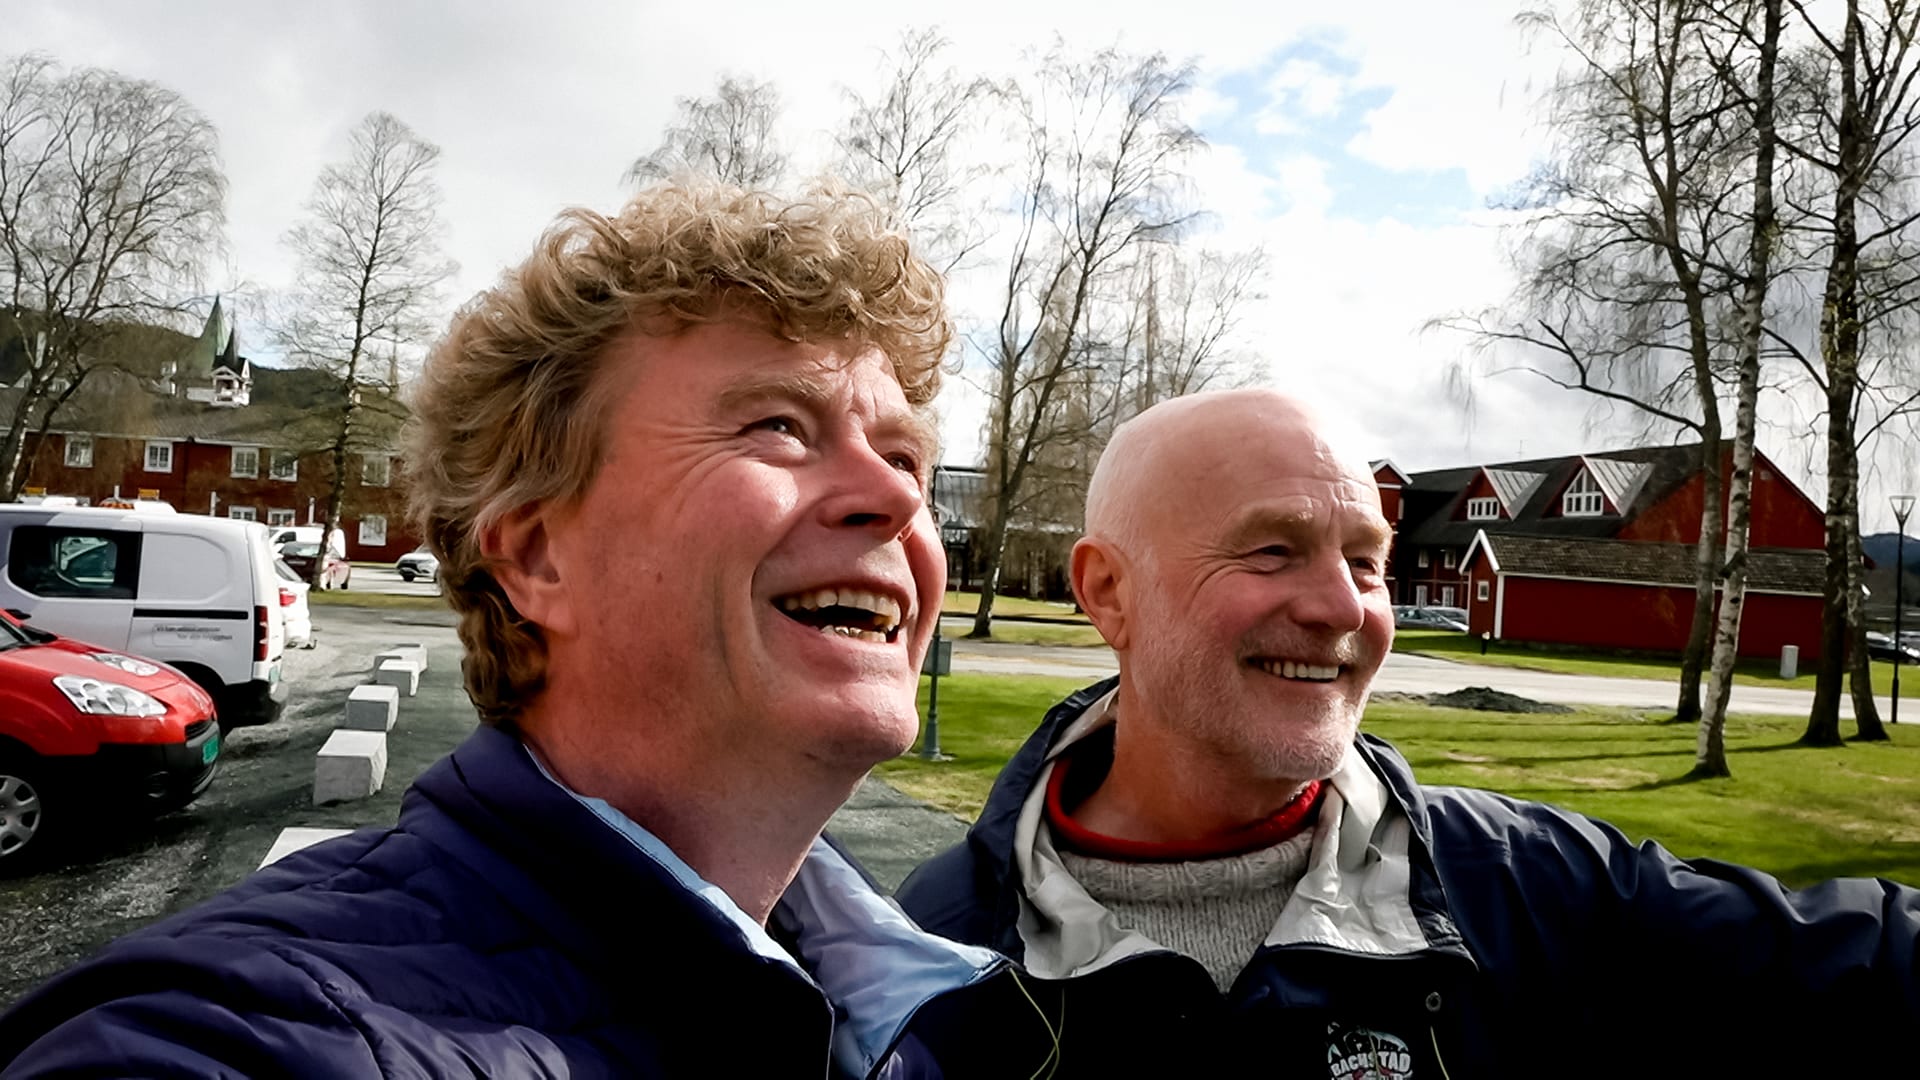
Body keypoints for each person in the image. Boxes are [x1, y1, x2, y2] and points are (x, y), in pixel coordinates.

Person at [0, 183, 1028, 1078]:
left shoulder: (921, 1009)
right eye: (778, 427)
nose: (898, 500)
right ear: (537, 559)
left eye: (904, 457)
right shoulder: (240, 1038)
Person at [897, 388, 1920, 1077]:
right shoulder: (932, 950)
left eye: (1366, 561)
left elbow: (1854, 963)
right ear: (1108, 592)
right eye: (1272, 550)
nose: (1344, 608)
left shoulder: (1517, 887)